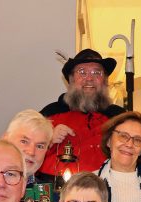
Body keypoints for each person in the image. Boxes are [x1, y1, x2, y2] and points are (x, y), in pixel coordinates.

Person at [40, 49, 126, 178]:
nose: (90, 78)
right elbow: (23, 153)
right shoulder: (49, 113)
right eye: (82, 72)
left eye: (97, 72)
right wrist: (47, 140)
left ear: (105, 80)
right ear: (71, 79)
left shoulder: (120, 117)